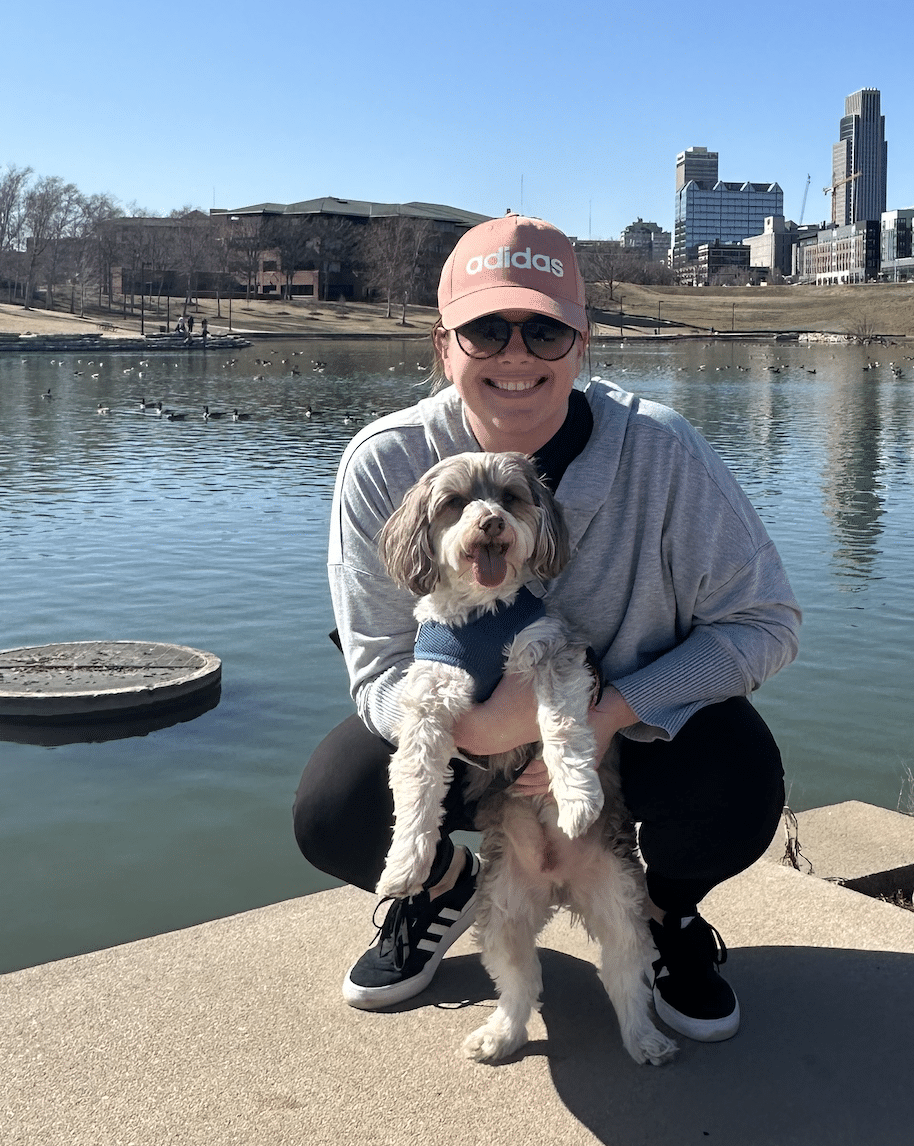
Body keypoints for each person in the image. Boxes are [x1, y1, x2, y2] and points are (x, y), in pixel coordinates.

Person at [293, 214, 800, 1044]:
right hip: (467, 736)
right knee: (333, 808)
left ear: (582, 342)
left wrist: (611, 711)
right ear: (444, 346)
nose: (516, 354)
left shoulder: (663, 451)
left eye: (545, 329)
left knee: (740, 781)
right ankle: (444, 887)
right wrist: (483, 727)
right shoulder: (385, 463)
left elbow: (765, 624)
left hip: (632, 734)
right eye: (486, 330)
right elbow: (377, 663)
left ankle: (664, 917)